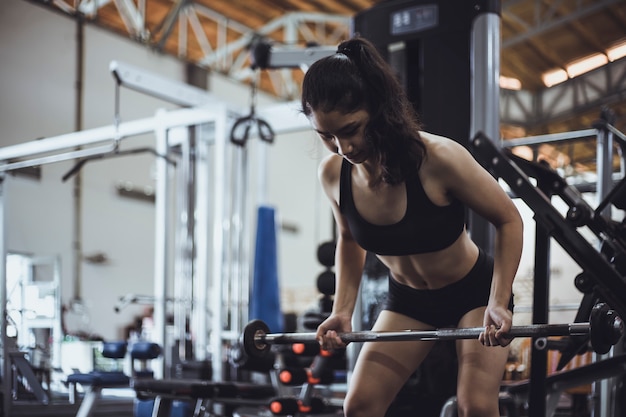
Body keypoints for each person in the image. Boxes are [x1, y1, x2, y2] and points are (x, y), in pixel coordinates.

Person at [300, 36, 524, 417]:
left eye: (351, 129)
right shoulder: (333, 175)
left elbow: (509, 219)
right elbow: (349, 238)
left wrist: (499, 302)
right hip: (408, 301)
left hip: (473, 294)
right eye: (327, 136)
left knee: (475, 407)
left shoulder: (439, 158)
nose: (344, 147)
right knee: (360, 406)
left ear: (378, 109)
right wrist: (342, 310)